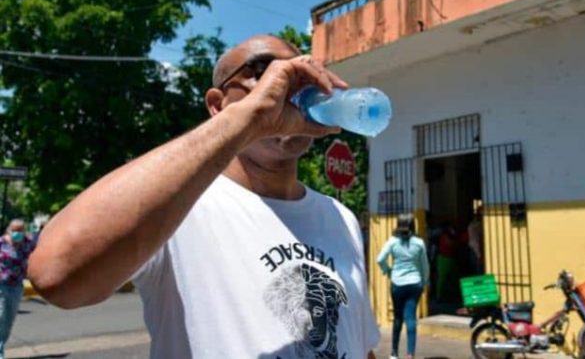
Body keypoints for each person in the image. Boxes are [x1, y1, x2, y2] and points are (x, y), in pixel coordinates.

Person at [27, 35, 380, 359]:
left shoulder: (340, 216)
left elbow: (358, 344)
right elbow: (56, 273)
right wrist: (252, 118)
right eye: (264, 70)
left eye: (299, 75)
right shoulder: (178, 202)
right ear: (217, 104)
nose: (287, 85)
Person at [376, 214, 429, 359]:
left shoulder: (393, 242)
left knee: (398, 317)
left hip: (397, 283)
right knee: (411, 318)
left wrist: (387, 270)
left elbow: (379, 259)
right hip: (415, 284)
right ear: (413, 225)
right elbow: (425, 265)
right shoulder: (419, 243)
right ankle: (410, 354)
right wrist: (424, 282)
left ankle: (394, 352)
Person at [0, 219, 35, 359]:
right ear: (9, 229)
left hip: (16, 287)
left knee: (8, 321)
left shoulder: (27, 243)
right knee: (0, 316)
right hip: (1, 285)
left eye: (20, 230)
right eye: (14, 230)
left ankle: (1, 345)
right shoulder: (1, 242)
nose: (17, 233)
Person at [467, 207, 483, 275]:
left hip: (474, 251)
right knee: (478, 272)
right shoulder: (476, 226)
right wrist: (479, 255)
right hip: (476, 252)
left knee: (476, 271)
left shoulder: (473, 224)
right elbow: (475, 242)